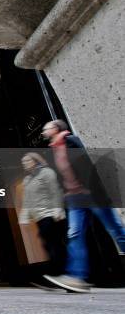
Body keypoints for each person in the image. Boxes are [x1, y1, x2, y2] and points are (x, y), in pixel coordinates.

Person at [41, 119, 125, 293]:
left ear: (56, 128)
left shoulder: (71, 142)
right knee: (75, 235)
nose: (43, 132)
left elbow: (87, 169)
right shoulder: (54, 150)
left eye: (46, 129)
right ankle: (77, 278)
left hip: (91, 195)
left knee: (115, 229)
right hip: (74, 199)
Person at [18, 152, 66, 283]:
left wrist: (57, 208)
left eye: (27, 161)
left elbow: (55, 191)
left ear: (35, 161)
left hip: (50, 214)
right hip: (39, 217)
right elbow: (27, 200)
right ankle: (57, 273)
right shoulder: (27, 180)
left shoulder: (46, 173)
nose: (24, 164)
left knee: (54, 244)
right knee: (48, 244)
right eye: (23, 162)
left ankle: (61, 273)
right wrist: (24, 217)